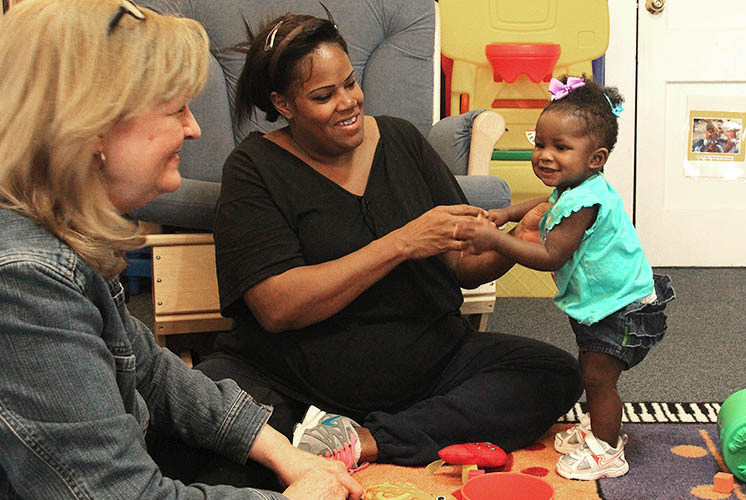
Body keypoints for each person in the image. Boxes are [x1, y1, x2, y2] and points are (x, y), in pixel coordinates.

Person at [193, 12, 583, 474]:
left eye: (350, 83)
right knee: (200, 412)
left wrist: (514, 241)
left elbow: (461, 260)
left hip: (431, 367)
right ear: (283, 104)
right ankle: (393, 435)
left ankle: (363, 442)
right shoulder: (254, 168)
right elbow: (277, 307)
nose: (348, 102)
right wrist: (400, 243)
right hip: (295, 381)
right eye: (323, 95)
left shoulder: (400, 140)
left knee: (552, 372)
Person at [0, 1, 362, 499]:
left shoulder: (63, 238)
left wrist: (282, 451)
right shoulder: (25, 277)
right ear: (93, 127)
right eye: (176, 109)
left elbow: (147, 367)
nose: (193, 129)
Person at [460, 75, 675, 480]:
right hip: (605, 303)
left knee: (598, 377)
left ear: (597, 158)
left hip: (622, 311)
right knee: (590, 368)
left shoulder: (586, 202)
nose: (544, 155)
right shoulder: (575, 187)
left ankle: (608, 451)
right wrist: (507, 213)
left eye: (561, 147)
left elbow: (549, 255)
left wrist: (494, 237)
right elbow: (547, 200)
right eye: (539, 144)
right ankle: (599, 429)